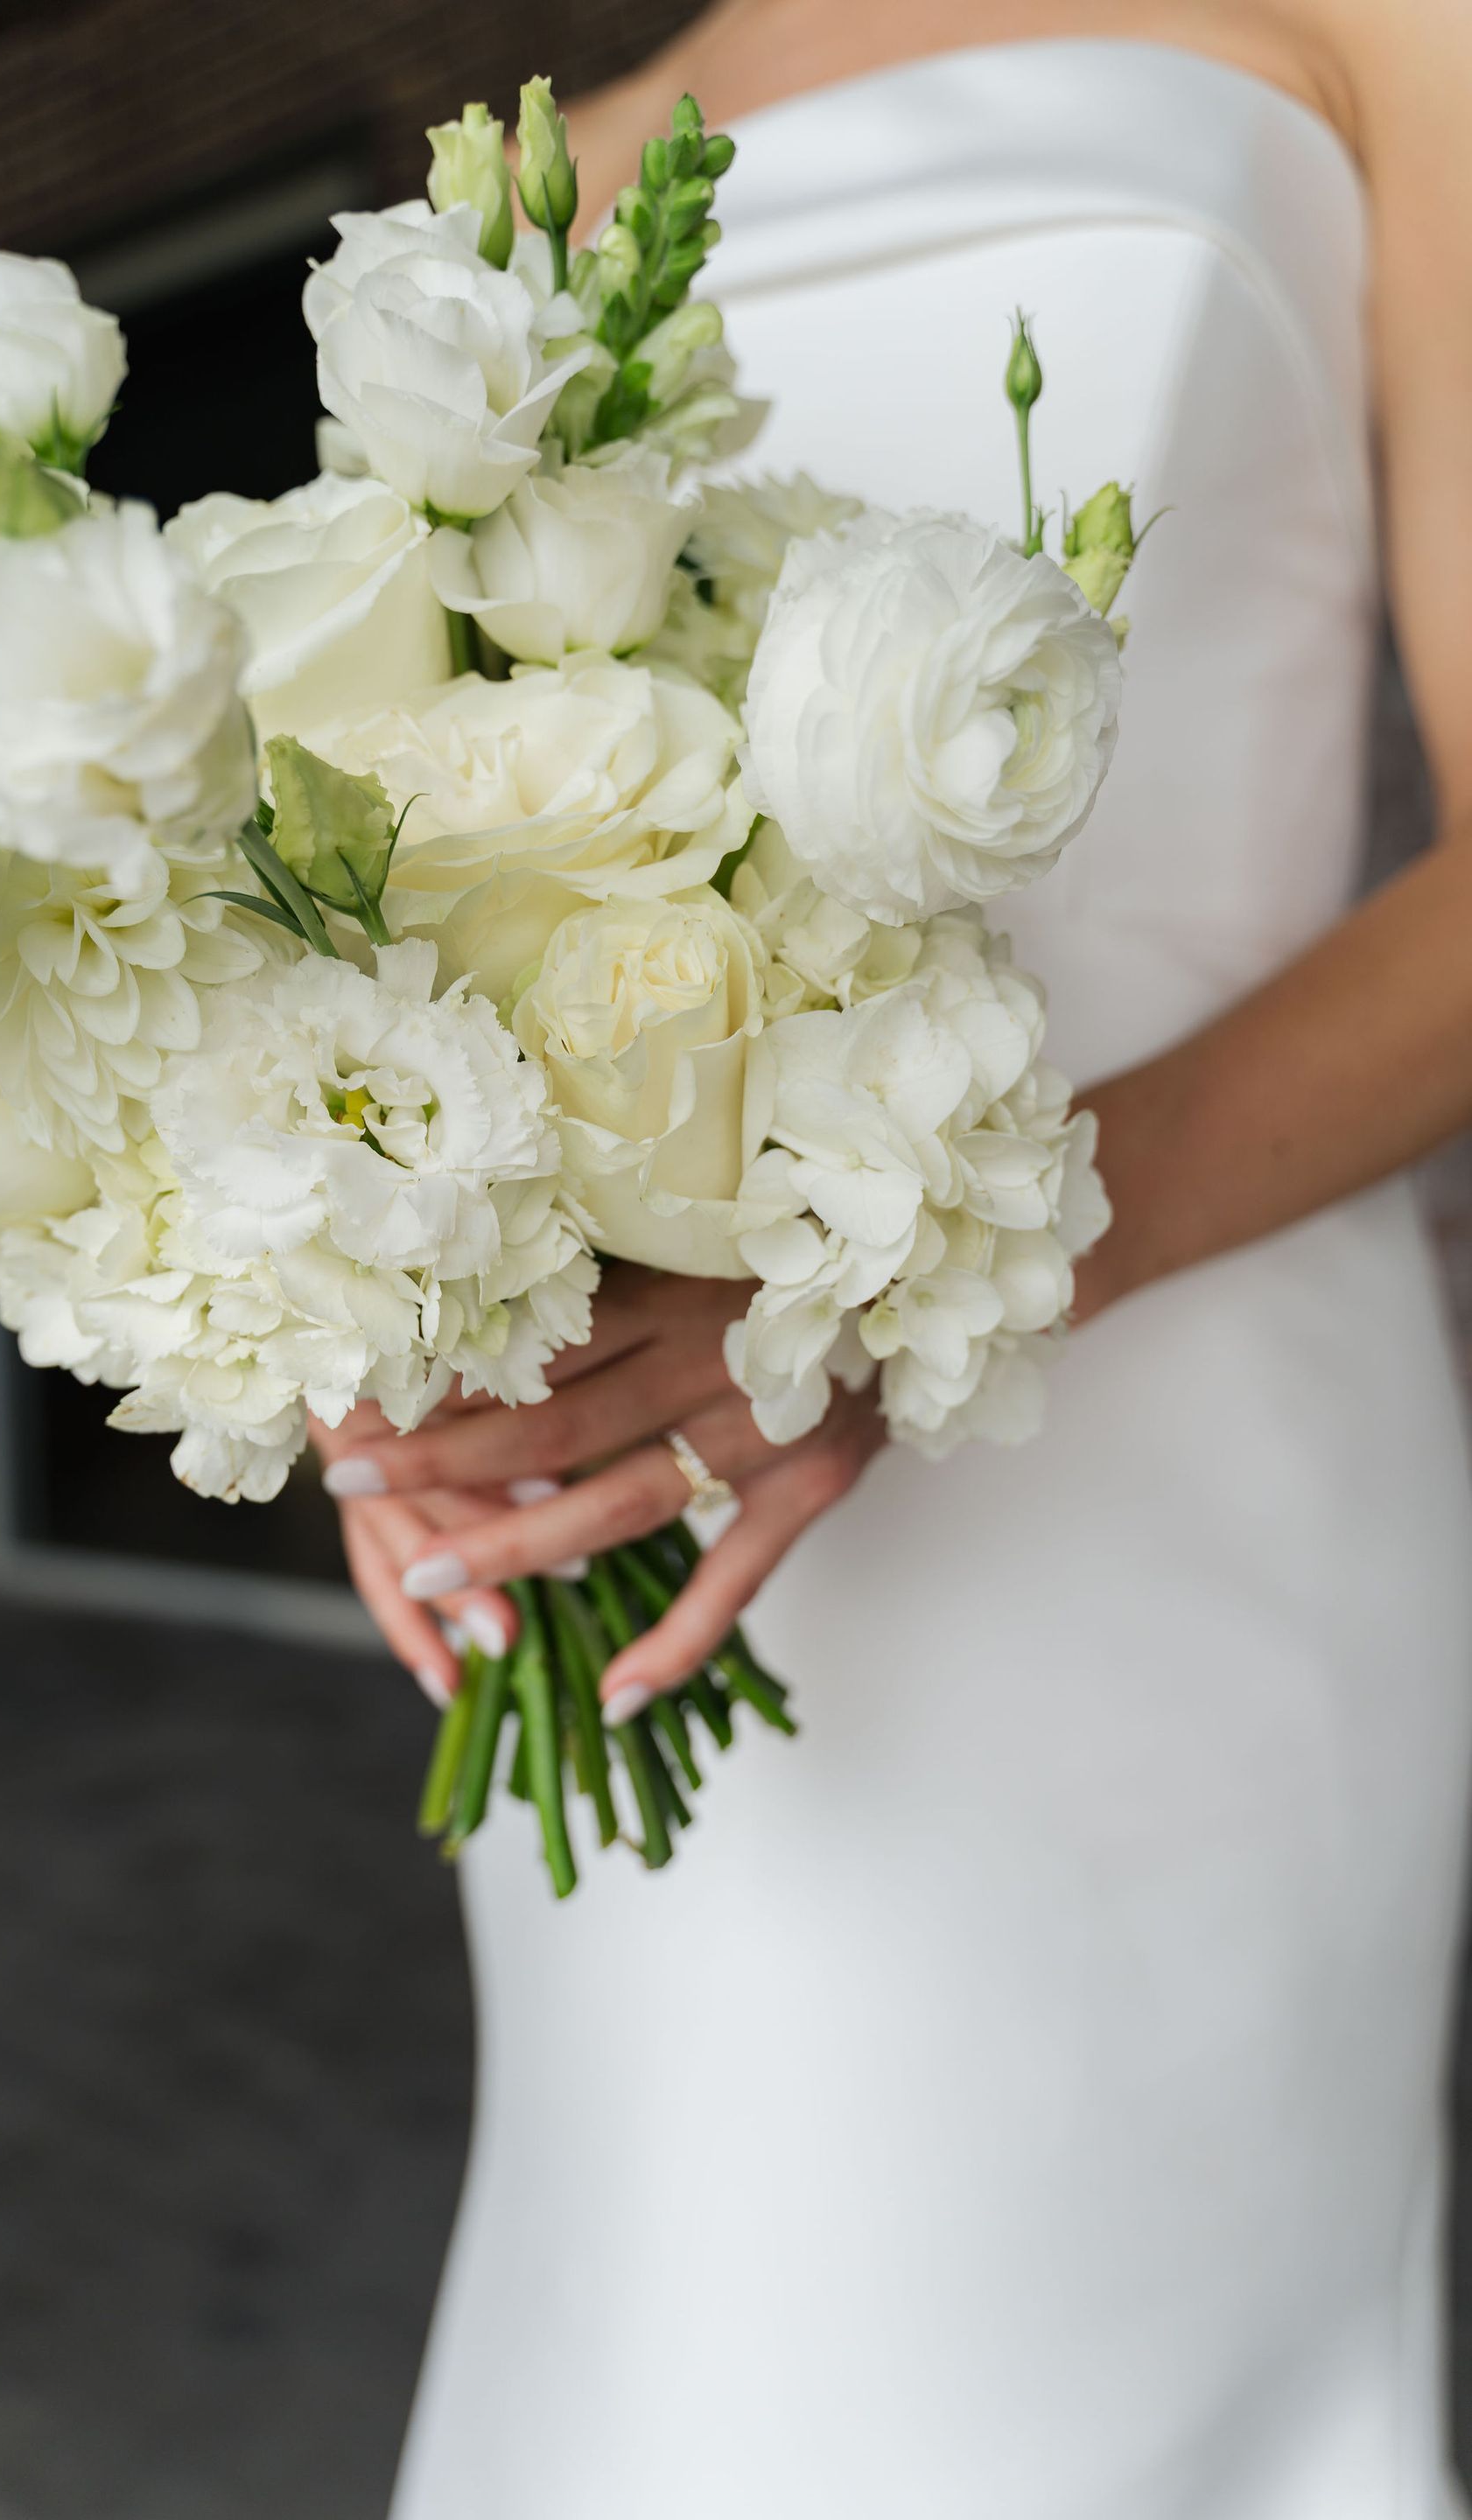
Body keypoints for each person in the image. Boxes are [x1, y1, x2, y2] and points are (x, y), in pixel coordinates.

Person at [317, 4, 1472, 2510]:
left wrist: (890, 1276)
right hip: (663, 1533)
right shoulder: (538, 167)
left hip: (1177, 1485)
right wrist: (385, 1323)